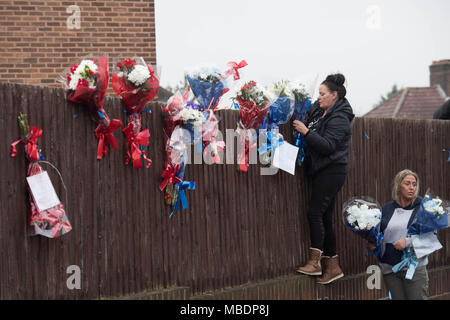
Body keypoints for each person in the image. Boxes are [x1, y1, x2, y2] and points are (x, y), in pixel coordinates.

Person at [293, 73, 355, 284]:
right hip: (320, 169)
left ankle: (315, 262)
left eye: (322, 94)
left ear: (334, 95)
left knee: (314, 213)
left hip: (332, 171)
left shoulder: (340, 118)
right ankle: (334, 266)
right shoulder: (320, 109)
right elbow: (304, 114)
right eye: (317, 93)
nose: (318, 97)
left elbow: (328, 146)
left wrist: (306, 132)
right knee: (326, 218)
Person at [368, 169, 429, 300]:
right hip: (390, 270)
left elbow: (430, 239)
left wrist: (407, 242)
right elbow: (379, 234)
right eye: (407, 183)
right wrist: (373, 242)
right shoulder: (386, 209)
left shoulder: (424, 208)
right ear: (398, 185)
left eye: (414, 184)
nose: (411, 187)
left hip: (414, 268)